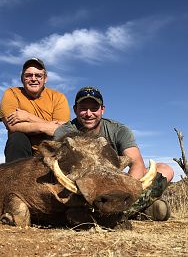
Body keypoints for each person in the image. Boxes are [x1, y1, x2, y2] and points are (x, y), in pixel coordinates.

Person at [54, 86, 174, 221]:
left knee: (166, 169)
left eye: (94, 108)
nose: (88, 114)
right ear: (75, 110)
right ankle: (137, 210)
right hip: (84, 185)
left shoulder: (118, 130)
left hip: (116, 182)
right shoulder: (63, 132)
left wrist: (127, 190)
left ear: (102, 110)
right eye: (83, 108)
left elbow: (136, 163)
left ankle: (121, 210)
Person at [0, 58, 70, 162]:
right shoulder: (12, 93)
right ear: (22, 78)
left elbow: (62, 130)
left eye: (38, 75)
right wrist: (45, 127)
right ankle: (15, 176)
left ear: (45, 79)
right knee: (17, 138)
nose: (33, 79)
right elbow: (12, 125)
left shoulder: (58, 97)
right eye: (28, 75)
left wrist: (29, 117)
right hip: (23, 150)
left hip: (52, 149)